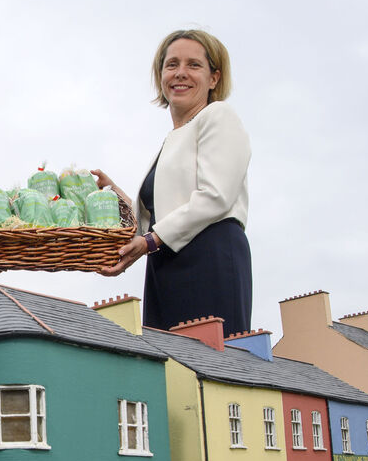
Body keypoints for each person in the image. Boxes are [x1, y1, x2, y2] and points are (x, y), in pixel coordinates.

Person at [94, 28, 252, 337]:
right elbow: (165, 212)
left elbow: (215, 197)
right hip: (165, 266)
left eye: (194, 65)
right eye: (172, 64)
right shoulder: (172, 140)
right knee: (171, 371)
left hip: (209, 257)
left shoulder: (218, 116)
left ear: (214, 78)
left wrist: (150, 241)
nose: (180, 73)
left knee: (210, 365)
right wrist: (118, 199)